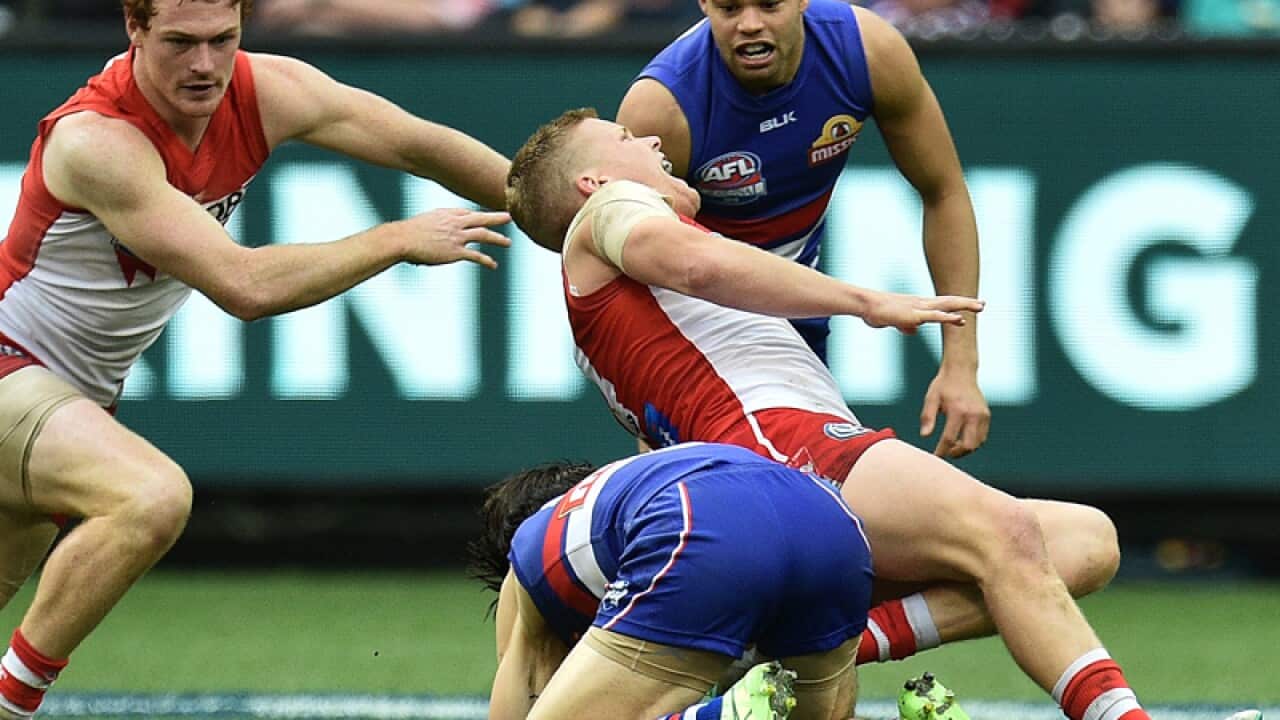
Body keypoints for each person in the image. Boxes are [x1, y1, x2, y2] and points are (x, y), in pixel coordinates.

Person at [502, 108, 1259, 720]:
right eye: (625, 138)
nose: (650, 140)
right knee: (1005, 533)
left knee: (1084, 542)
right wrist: (865, 300)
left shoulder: (605, 317)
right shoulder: (608, 211)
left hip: (766, 492)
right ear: (594, 179)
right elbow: (695, 264)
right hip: (781, 450)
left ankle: (833, 642)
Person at [0, 1, 511, 716]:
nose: (205, 65)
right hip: (12, 369)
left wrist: (565, 212)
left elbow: (421, 146)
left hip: (66, 401)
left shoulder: (267, 89)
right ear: (133, 30)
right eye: (180, 42)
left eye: (223, 40)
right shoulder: (96, 140)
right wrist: (394, 239)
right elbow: (244, 286)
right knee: (149, 497)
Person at [615, 0, 988, 459]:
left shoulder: (865, 51)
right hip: (699, 323)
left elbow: (944, 192)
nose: (750, 24)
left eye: (769, 4)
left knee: (809, 484)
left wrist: (961, 363)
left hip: (797, 307)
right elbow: (632, 258)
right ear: (704, 4)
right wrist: (654, 410)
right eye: (729, 8)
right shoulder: (661, 108)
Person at [470, 441, 872, 720]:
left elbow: (520, 691)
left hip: (697, 521)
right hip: (831, 520)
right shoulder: (630, 488)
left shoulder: (527, 555)